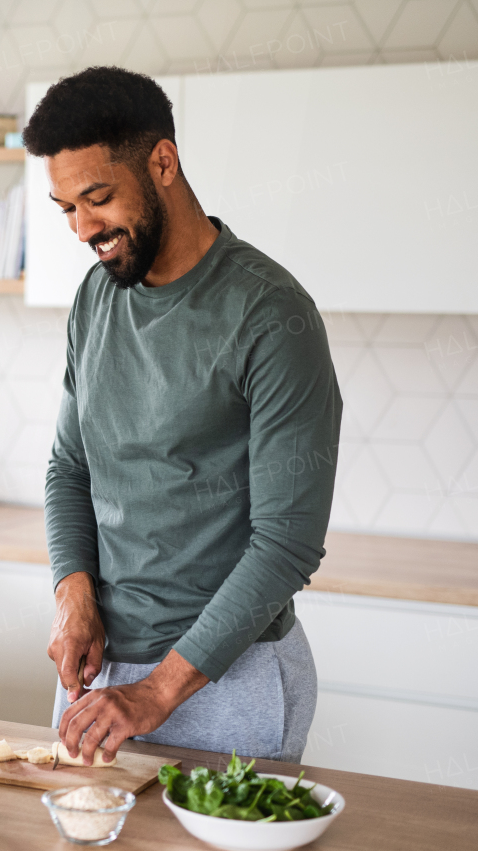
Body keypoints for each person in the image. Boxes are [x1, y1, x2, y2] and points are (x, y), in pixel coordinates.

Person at [23, 66, 342, 767]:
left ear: (162, 162)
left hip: (231, 679)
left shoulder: (271, 315)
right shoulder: (95, 300)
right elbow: (69, 466)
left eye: (97, 199)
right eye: (65, 207)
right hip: (101, 681)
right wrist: (73, 594)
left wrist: (156, 692)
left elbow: (287, 543)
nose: (82, 229)